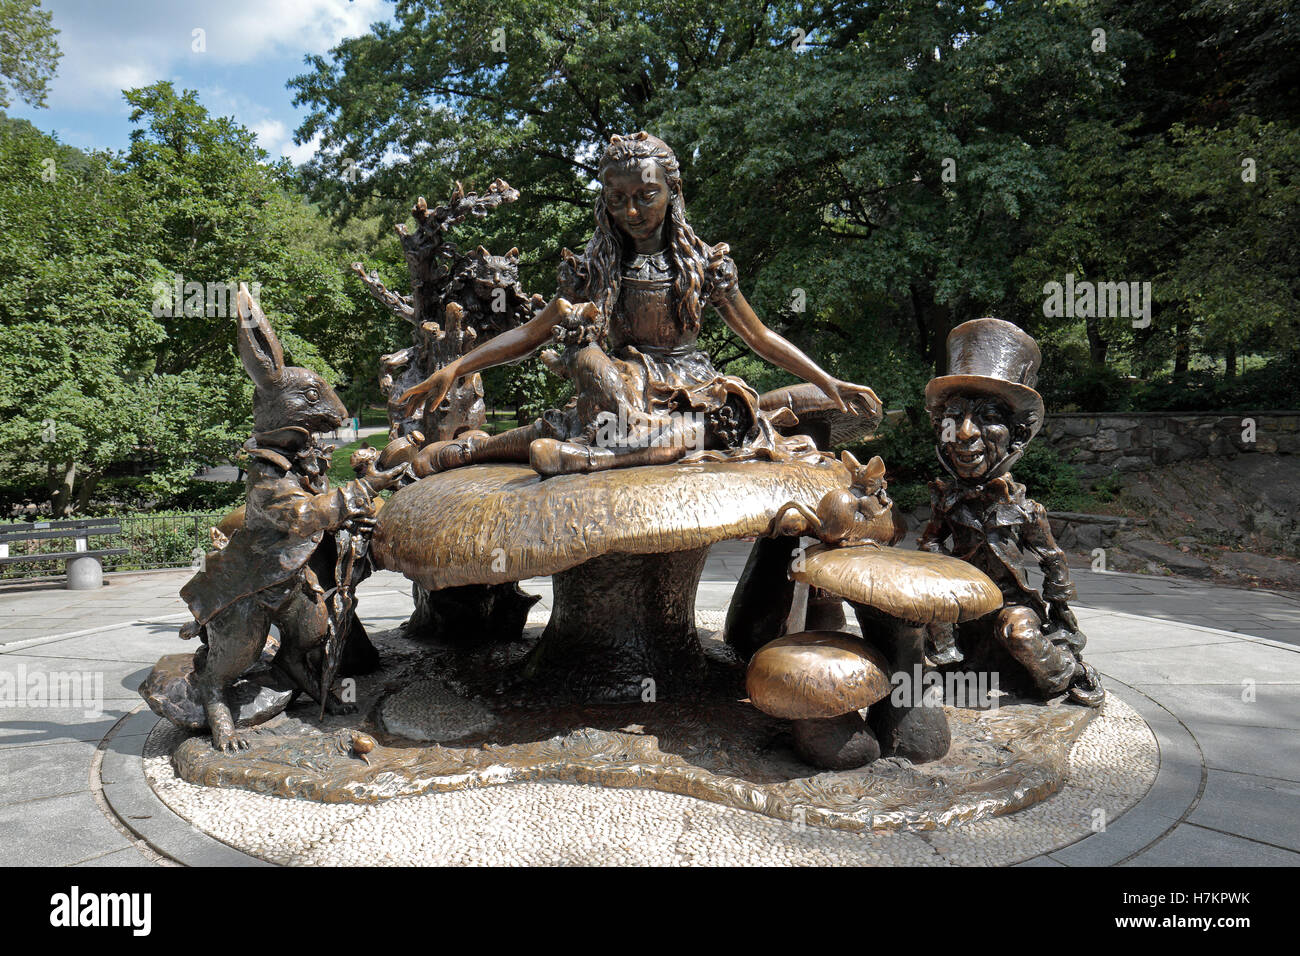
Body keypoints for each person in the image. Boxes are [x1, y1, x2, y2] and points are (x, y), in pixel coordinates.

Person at [397, 132, 879, 477]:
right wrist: (455, 367)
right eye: (618, 198)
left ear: (672, 194)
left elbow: (758, 338)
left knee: (690, 424)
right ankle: (475, 452)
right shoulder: (594, 268)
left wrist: (827, 380)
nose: (631, 211)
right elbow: (531, 334)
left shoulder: (705, 267)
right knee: (587, 364)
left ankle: (593, 454)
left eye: (647, 196)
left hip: (691, 390)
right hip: (623, 386)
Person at [917, 318, 1104, 706]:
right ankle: (951, 670)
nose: (965, 433)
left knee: (1019, 633)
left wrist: (1062, 615)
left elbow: (1052, 558)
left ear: (1016, 435)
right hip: (963, 601)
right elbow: (931, 541)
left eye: (987, 418)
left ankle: (1071, 673)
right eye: (953, 418)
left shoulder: (1024, 509)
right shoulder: (945, 500)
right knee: (925, 627)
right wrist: (939, 573)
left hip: (1010, 603)